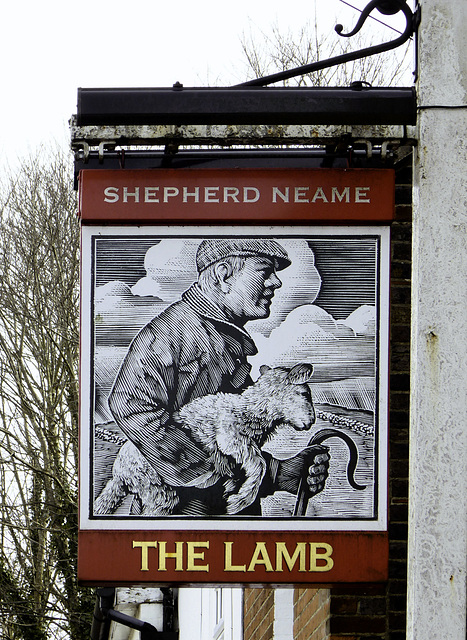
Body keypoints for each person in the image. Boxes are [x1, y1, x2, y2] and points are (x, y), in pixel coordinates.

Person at [108, 239, 329, 515]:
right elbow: (131, 406)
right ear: (224, 275)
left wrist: (284, 471)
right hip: (180, 528)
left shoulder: (225, 337)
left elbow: (236, 434)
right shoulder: (169, 333)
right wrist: (259, 472)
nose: (276, 283)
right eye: (264, 271)